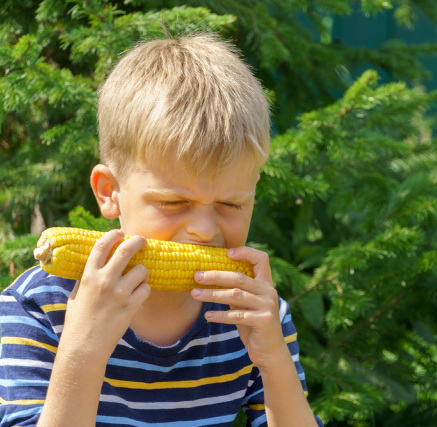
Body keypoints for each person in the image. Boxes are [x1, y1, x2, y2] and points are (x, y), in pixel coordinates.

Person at [0, 33, 322, 426]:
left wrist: (275, 364)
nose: (204, 230)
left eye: (230, 204)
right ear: (109, 193)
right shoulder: (36, 309)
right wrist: (83, 351)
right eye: (174, 203)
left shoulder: (252, 315)